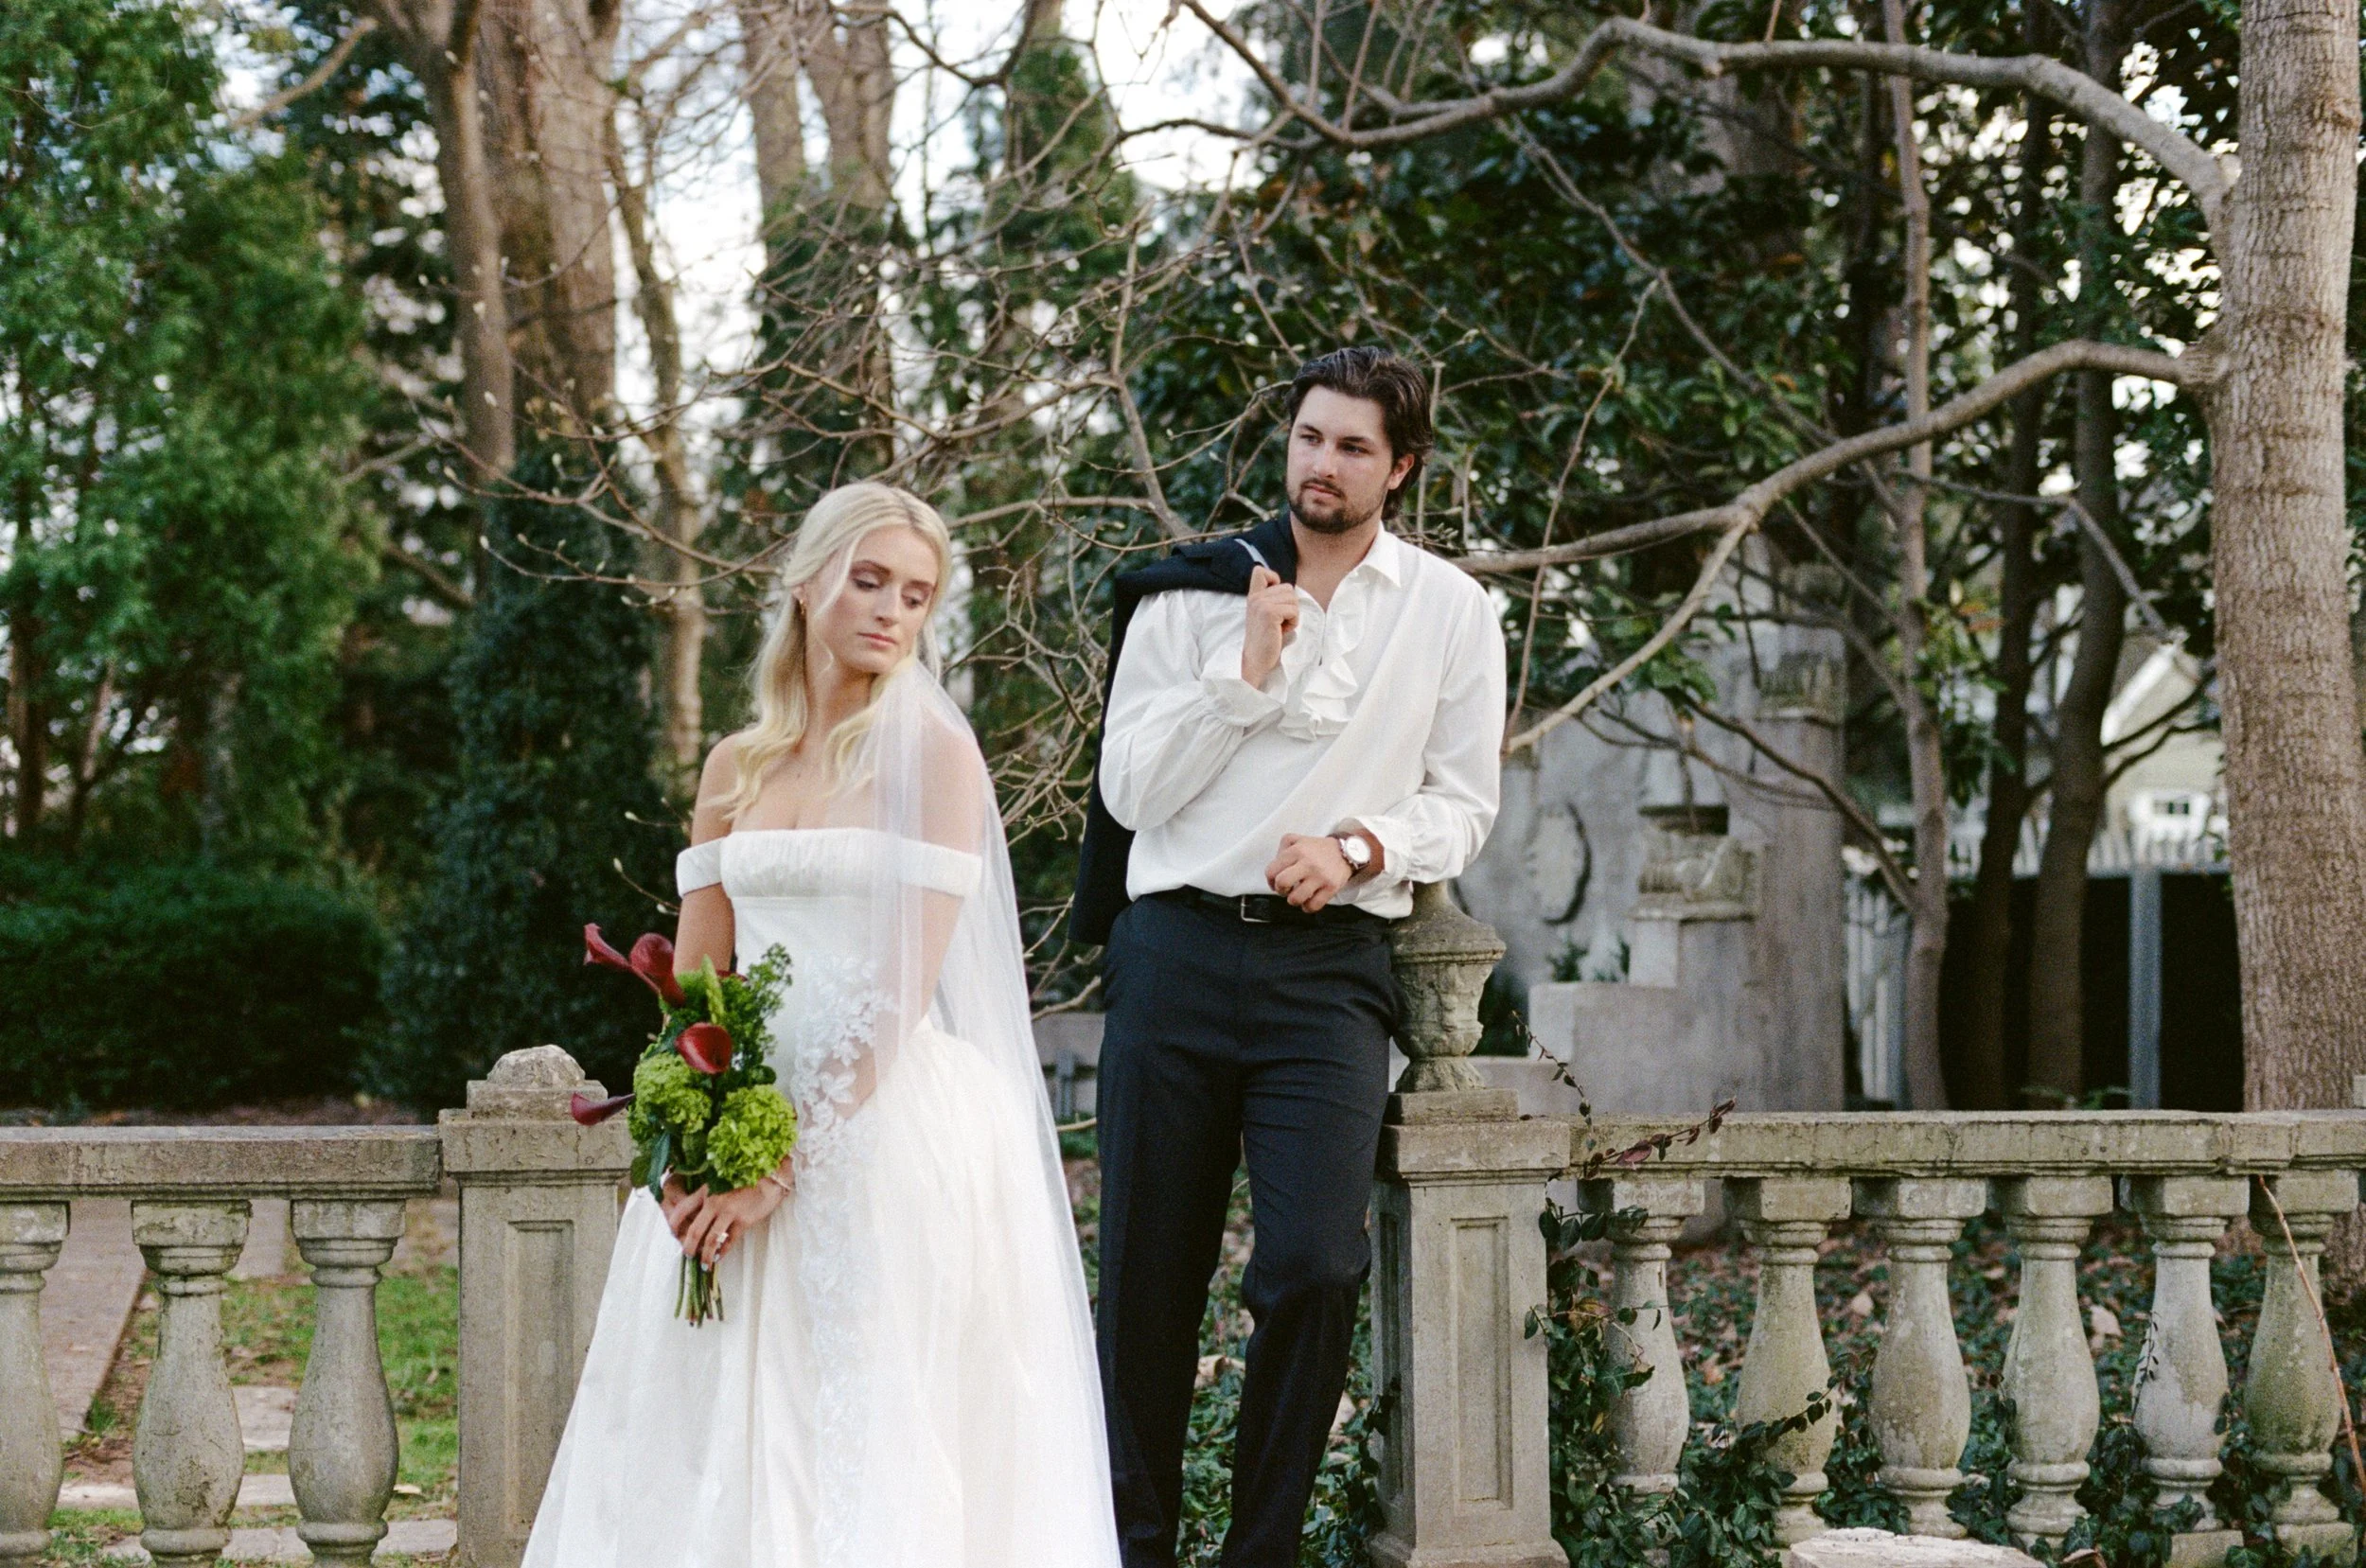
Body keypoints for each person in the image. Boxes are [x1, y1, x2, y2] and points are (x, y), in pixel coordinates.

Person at [523, 482, 1120, 1568]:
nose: (892, 610)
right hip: (736, 1102)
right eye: (870, 580)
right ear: (806, 583)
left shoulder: (934, 758)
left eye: (917, 594)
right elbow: (696, 979)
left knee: (859, 1427)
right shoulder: (734, 766)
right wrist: (689, 1137)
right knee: (705, 1426)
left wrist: (780, 1162)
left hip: (879, 1125)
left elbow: (899, 988)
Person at [1089, 346, 1508, 1567]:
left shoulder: (1450, 612)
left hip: (1327, 971)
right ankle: (1133, 1547)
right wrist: (1245, 672)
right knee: (1146, 1283)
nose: (1323, 464)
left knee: (1316, 1266)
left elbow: (1462, 804)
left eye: (1354, 447)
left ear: (1401, 467)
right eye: (1309, 437)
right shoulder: (1189, 596)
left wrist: (1361, 846)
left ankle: (1259, 1551)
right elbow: (1129, 794)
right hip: (1172, 953)